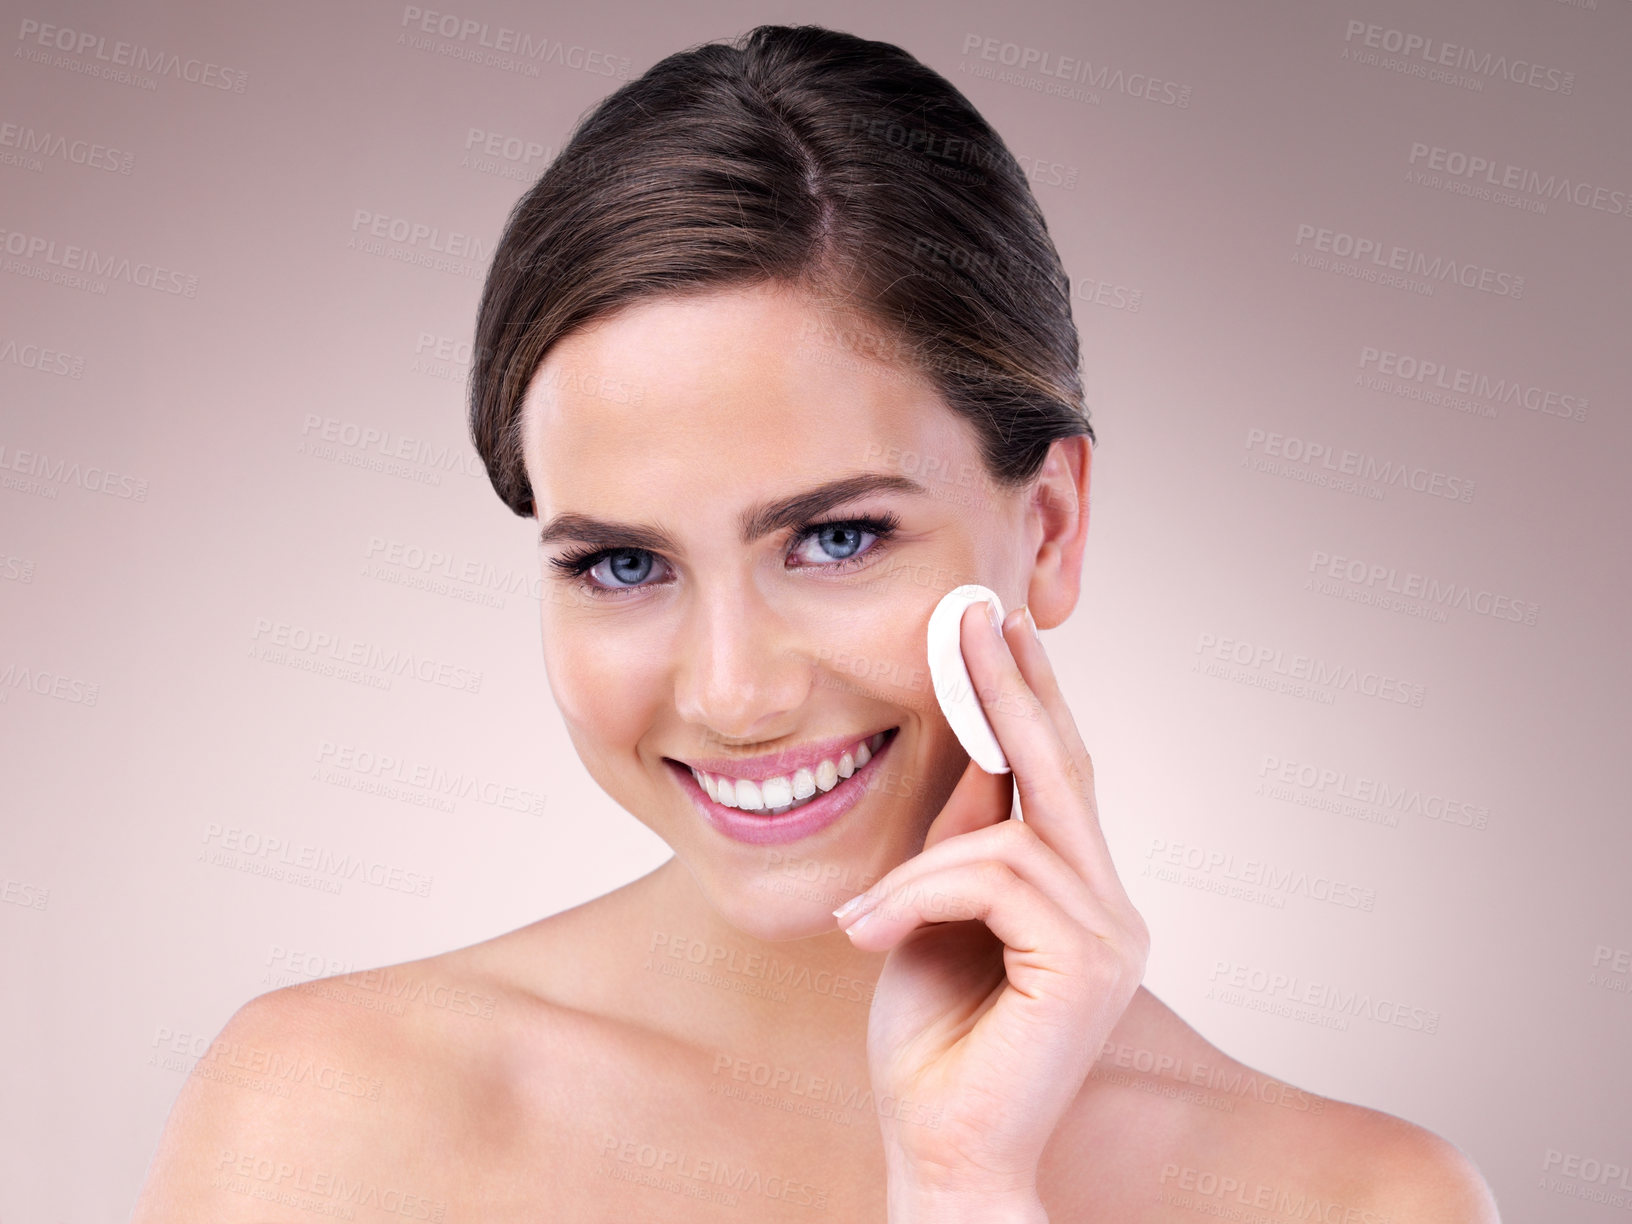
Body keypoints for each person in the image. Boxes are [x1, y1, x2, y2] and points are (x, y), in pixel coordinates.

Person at [132, 24, 1501, 1222]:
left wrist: (966, 1193)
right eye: (619, 565)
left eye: (836, 538)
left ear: (1051, 529)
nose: (734, 695)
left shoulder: (1361, 1203)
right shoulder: (326, 1117)